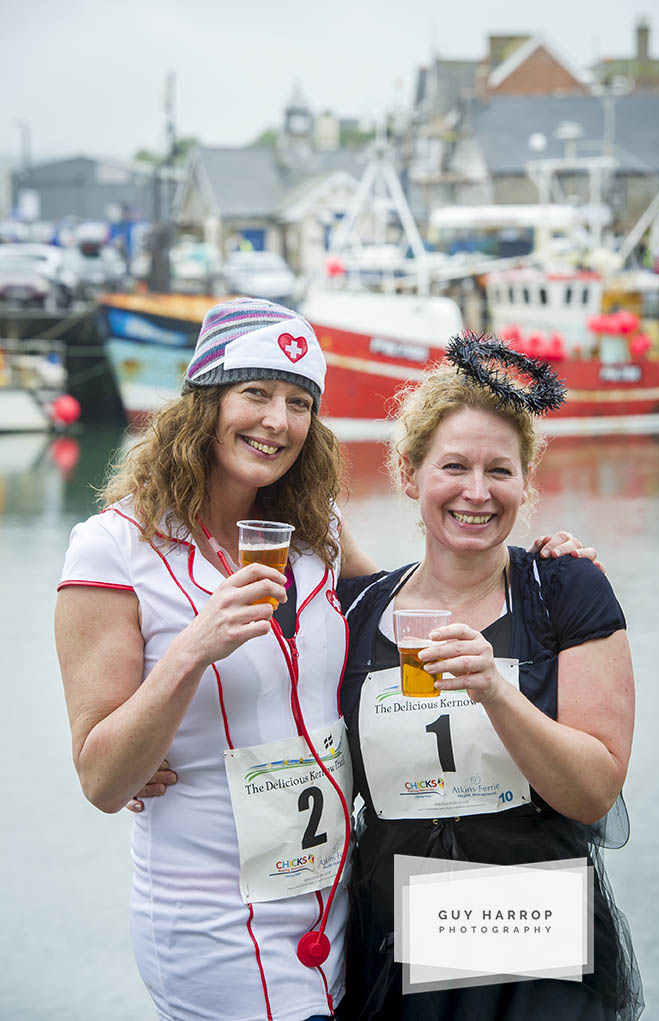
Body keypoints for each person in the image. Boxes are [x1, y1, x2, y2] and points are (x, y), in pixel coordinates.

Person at [55, 303, 596, 1021]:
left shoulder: (316, 533)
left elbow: (403, 607)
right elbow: (101, 775)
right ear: (205, 400)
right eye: (254, 392)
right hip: (217, 914)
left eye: (298, 401)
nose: (277, 420)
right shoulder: (110, 550)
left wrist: (532, 573)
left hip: (336, 905)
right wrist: (194, 648)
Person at [336, 339, 644, 1020]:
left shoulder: (566, 590)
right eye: (454, 466)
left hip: (534, 953)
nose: (477, 491)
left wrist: (494, 689)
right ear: (410, 474)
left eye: (499, 470)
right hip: (396, 951)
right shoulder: (357, 612)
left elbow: (594, 791)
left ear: (526, 485)